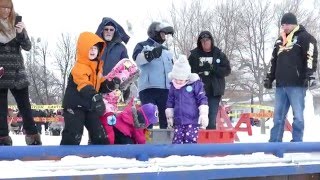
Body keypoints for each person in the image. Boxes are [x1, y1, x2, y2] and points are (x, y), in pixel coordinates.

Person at [264, 12, 318, 142]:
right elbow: (274, 61)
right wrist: (270, 78)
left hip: (297, 84)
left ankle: (297, 143)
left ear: (294, 24)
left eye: (287, 24)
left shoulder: (305, 38)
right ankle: (275, 143)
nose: (285, 27)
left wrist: (310, 75)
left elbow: (311, 57)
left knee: (298, 116)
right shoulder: (279, 40)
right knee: (278, 117)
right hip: (281, 85)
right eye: (283, 25)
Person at [60, 32, 118, 145]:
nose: (92, 51)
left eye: (95, 48)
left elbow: (99, 85)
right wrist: (96, 98)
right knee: (74, 133)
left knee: (99, 133)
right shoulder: (79, 67)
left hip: (89, 106)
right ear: (83, 49)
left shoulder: (97, 68)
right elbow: (84, 85)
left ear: (99, 50)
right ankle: (66, 155)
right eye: (89, 48)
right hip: (74, 106)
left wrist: (110, 85)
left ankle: (102, 154)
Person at [0, 0, 41, 145]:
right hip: (1, 72)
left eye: (8, 8)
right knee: (1, 109)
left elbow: (28, 46)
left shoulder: (17, 24)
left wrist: (21, 33)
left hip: (17, 71)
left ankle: (33, 136)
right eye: (3, 8)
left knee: (25, 106)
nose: (6, 11)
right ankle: (2, 138)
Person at [132, 21, 174, 129]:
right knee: (148, 118)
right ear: (155, 33)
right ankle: (147, 143)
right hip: (148, 89)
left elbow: (172, 69)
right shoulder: (143, 45)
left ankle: (166, 144)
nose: (164, 37)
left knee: (166, 118)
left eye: (166, 34)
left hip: (166, 89)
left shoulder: (167, 51)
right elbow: (137, 59)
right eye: (163, 33)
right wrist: (151, 54)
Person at [188, 31, 231, 130]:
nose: (205, 42)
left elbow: (227, 70)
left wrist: (213, 69)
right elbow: (188, 71)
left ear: (211, 41)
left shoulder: (219, 54)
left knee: (211, 120)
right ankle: (195, 141)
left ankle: (208, 143)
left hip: (213, 92)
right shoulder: (194, 55)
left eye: (207, 40)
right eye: (202, 41)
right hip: (197, 92)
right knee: (197, 119)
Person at [165, 55, 209, 144]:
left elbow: (202, 99)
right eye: (176, 79)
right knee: (177, 140)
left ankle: (190, 156)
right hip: (178, 120)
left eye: (181, 79)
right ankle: (177, 155)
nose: (178, 81)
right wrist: (170, 117)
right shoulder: (173, 87)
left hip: (192, 121)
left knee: (190, 140)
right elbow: (170, 102)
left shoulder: (195, 85)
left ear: (187, 77)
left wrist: (203, 114)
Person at [95, 17, 131, 101]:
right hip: (96, 85)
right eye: (106, 29)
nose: (108, 32)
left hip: (114, 86)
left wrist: (126, 85)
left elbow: (126, 67)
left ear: (115, 31)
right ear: (102, 31)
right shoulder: (96, 46)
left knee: (112, 112)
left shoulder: (121, 48)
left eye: (111, 30)